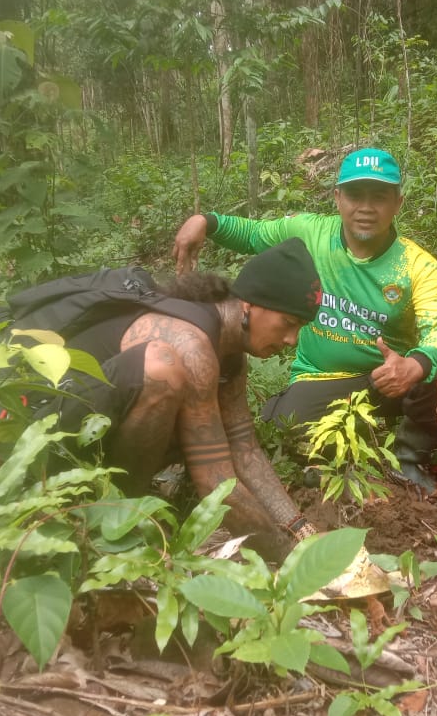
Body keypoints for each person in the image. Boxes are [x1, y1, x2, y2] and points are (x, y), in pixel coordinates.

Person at [173, 148, 437, 491]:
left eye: (379, 196)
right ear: (338, 198)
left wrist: (413, 366)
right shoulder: (311, 234)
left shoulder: (416, 265)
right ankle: (334, 445)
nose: (366, 207)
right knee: (284, 428)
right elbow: (253, 235)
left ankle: (409, 457)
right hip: (322, 378)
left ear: (397, 203)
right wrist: (206, 222)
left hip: (393, 380)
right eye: (355, 195)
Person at [56, 239, 324, 561]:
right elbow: (216, 485)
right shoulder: (190, 344)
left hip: (97, 434)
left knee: (201, 420)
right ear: (249, 304)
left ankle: (126, 511)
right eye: (288, 323)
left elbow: (245, 450)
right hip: (52, 434)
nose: (292, 339)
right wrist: (294, 558)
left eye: (300, 327)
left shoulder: (230, 355)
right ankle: (120, 524)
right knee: (162, 370)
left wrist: (301, 530)